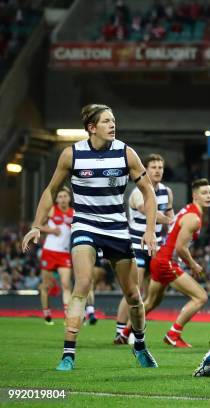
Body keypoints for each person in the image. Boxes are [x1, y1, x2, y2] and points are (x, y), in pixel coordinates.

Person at [22, 103, 159, 371]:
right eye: (107, 121)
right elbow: (51, 191)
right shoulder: (71, 155)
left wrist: (150, 229)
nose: (113, 125)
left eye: (114, 120)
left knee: (133, 294)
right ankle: (68, 355)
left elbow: (148, 192)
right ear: (91, 127)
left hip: (117, 229)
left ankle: (140, 344)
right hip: (85, 225)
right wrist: (37, 225)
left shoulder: (126, 153)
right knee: (82, 283)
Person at [140, 178, 210, 347]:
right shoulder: (194, 218)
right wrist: (193, 264)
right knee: (200, 297)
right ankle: (174, 334)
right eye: (204, 193)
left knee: (151, 302)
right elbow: (180, 247)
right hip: (167, 262)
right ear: (195, 196)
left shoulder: (188, 211)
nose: (208, 196)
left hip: (160, 259)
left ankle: (125, 331)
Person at [114, 153, 174, 344]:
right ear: (145, 170)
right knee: (134, 290)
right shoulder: (138, 192)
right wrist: (172, 219)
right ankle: (119, 331)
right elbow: (148, 211)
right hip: (136, 245)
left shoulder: (167, 191)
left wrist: (172, 233)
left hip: (155, 248)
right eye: (154, 167)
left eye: (160, 167)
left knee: (150, 293)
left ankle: (133, 330)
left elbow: (170, 220)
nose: (157, 170)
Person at [38, 186, 73, 325]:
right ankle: (46, 312)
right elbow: (37, 226)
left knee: (66, 285)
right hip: (49, 252)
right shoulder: (52, 210)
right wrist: (51, 230)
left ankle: (67, 315)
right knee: (46, 286)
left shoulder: (73, 213)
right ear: (56, 199)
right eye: (60, 197)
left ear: (69, 198)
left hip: (64, 253)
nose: (63, 199)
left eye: (65, 196)